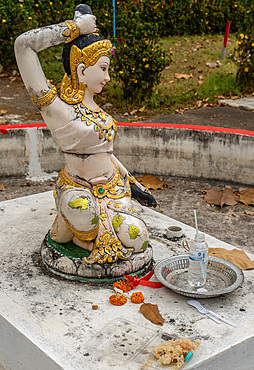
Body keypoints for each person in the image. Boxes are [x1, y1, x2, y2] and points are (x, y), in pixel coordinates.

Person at [15, 4, 156, 265]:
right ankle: (71, 228)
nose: (108, 77)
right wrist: (75, 29)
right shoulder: (57, 109)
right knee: (86, 220)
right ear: (81, 70)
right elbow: (23, 46)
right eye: (103, 68)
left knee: (138, 238)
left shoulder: (100, 113)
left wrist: (134, 185)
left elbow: (107, 154)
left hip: (113, 190)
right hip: (78, 188)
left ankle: (79, 233)